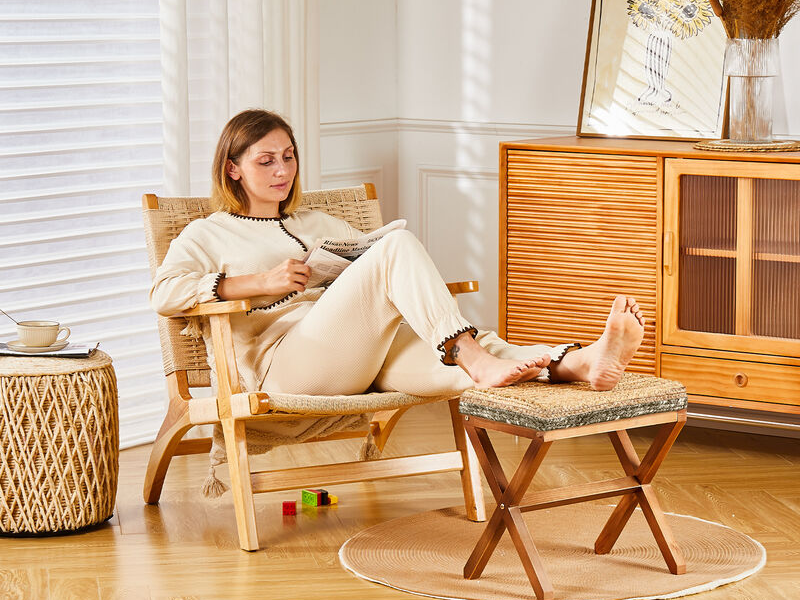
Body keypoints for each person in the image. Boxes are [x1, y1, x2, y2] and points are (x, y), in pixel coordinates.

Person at [150, 109, 645, 401]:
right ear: (233, 170)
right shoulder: (207, 232)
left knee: (449, 361)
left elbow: (366, 279)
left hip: (357, 358)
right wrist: (260, 282)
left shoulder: (318, 223)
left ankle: (581, 364)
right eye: (265, 161)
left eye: (289, 156)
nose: (283, 170)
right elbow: (165, 293)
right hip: (285, 367)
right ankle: (470, 352)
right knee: (397, 248)